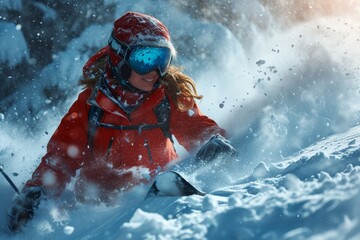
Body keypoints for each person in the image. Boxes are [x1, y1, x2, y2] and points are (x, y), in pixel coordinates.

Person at [7, 12, 236, 232]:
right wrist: (37, 193)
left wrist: (211, 141)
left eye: (162, 59)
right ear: (120, 57)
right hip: (98, 212)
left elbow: (195, 127)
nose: (155, 71)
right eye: (144, 59)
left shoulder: (168, 96)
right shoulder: (91, 105)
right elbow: (62, 157)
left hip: (160, 196)